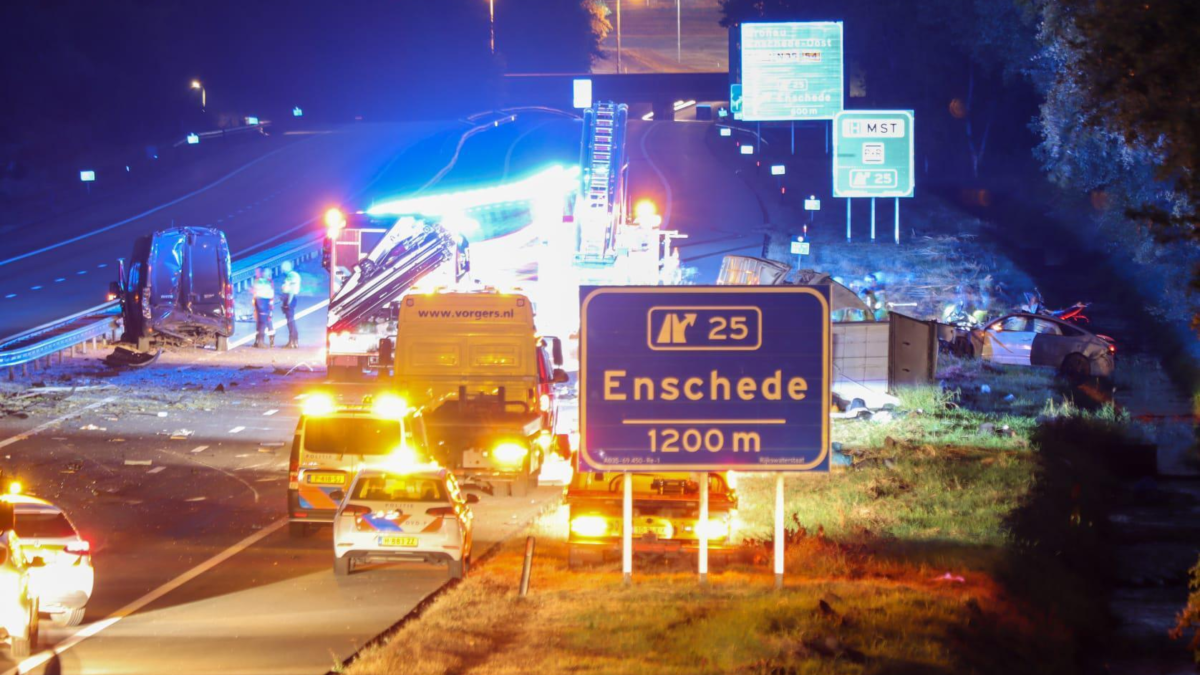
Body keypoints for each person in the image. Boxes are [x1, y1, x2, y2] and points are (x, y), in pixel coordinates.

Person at [280, 261, 301, 348]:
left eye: (283, 268)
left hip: (290, 298)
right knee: (290, 320)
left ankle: (292, 341)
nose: (282, 270)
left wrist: (288, 302)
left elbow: (291, 289)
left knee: (290, 321)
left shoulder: (291, 275)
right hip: (289, 298)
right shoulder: (293, 275)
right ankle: (294, 341)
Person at [252, 268, 275, 348]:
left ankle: (268, 341)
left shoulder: (268, 281)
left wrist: (271, 305)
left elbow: (270, 293)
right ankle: (258, 341)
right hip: (261, 303)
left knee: (266, 322)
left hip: (265, 303)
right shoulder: (259, 280)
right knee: (261, 322)